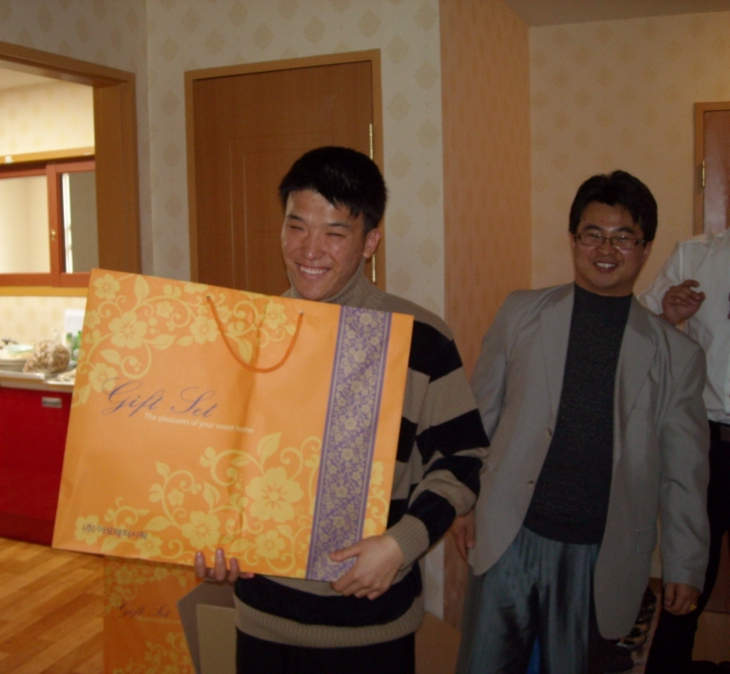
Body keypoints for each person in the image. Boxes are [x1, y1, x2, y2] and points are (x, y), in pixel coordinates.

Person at [194, 146, 490, 674]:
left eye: (334, 232)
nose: (309, 250)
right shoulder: (248, 336)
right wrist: (209, 533)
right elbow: (221, 462)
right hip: (262, 618)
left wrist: (401, 545)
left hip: (371, 623)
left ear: (370, 241)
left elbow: (463, 459)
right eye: (296, 226)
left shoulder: (420, 339)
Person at [453, 170, 710, 674]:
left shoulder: (676, 356)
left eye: (623, 237)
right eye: (593, 234)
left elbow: (685, 472)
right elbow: (479, 417)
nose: (605, 249)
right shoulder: (521, 313)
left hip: (602, 550)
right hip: (510, 533)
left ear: (645, 248)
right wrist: (463, 502)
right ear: (573, 239)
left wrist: (685, 563)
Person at [638, 226, 730, 673]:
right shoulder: (694, 256)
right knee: (688, 573)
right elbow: (636, 335)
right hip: (708, 442)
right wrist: (667, 316)